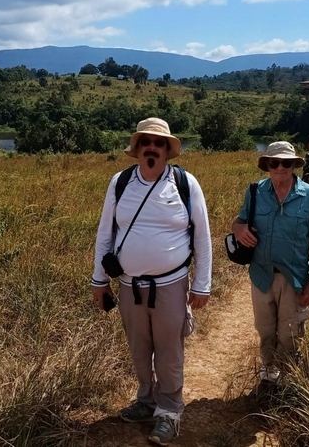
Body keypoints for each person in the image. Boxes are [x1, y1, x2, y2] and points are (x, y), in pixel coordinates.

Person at [91, 117, 212, 446]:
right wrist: (98, 281)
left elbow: (202, 236)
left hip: (171, 285)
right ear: (137, 148)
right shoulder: (120, 183)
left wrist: (202, 285)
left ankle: (169, 412)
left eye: (159, 144)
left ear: (167, 151)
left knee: (169, 350)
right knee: (139, 348)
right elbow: (105, 234)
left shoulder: (186, 184)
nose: (152, 148)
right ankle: (146, 401)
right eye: (146, 142)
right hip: (129, 286)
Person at [231, 141, 309, 393]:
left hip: (294, 279)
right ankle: (268, 374)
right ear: (266, 165)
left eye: (286, 163)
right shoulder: (255, 192)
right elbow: (239, 221)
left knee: (289, 333)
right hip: (261, 275)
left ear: (293, 165)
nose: (280, 168)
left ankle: (288, 379)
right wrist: (239, 228)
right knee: (265, 329)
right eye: (274, 163)